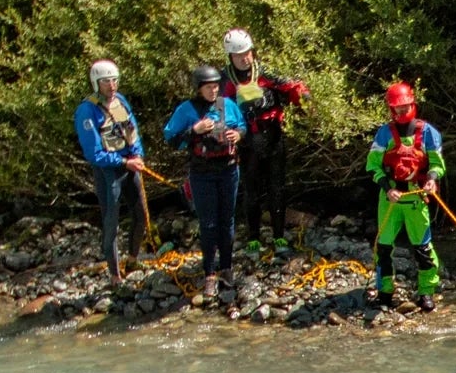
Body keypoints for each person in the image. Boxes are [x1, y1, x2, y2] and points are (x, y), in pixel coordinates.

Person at [218, 29, 308, 248]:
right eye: (240, 54)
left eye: (248, 52)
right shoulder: (225, 80)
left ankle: (279, 235)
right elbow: (219, 111)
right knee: (252, 189)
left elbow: (291, 87)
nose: (245, 57)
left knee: (278, 187)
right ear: (230, 56)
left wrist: (303, 96)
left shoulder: (265, 72)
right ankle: (253, 238)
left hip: (274, 136)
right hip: (248, 141)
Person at [163, 66, 247, 299]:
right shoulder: (187, 109)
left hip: (229, 169)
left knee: (227, 220)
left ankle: (227, 268)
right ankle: (210, 273)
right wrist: (194, 130)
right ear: (199, 88)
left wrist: (238, 135)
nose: (214, 90)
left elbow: (242, 126)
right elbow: (171, 138)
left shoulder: (227, 105)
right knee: (208, 223)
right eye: (209, 87)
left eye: (216, 86)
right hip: (202, 174)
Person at [366, 82, 445, 312]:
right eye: (397, 109)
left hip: (416, 197)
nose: (401, 112)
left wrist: (431, 179)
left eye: (405, 107)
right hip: (390, 197)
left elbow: (437, 165)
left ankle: (426, 292)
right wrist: (386, 187)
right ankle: (385, 291)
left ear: (413, 104)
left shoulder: (428, 132)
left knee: (423, 248)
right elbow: (373, 166)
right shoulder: (384, 133)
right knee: (383, 247)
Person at [74, 60, 148, 282]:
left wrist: (137, 155)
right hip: (108, 171)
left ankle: (133, 259)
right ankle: (115, 276)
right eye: (106, 82)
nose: (112, 85)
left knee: (141, 215)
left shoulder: (122, 101)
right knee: (111, 222)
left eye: (114, 80)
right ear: (96, 83)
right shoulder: (86, 111)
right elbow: (94, 152)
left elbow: (132, 130)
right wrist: (123, 163)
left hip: (130, 165)